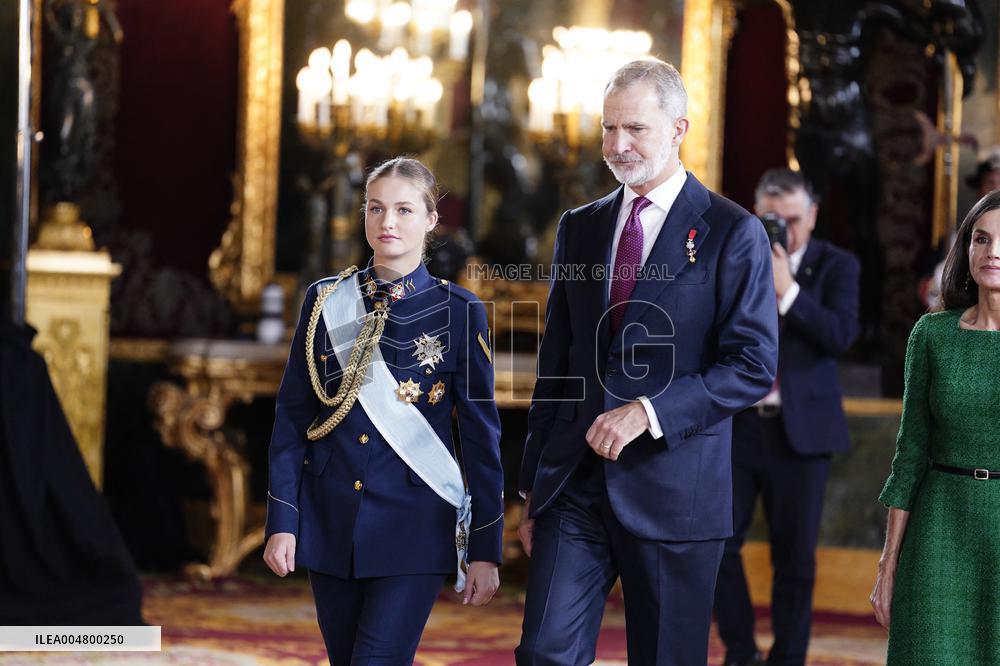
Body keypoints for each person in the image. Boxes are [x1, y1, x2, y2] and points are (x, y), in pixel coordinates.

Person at [515, 59, 779, 665]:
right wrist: (532, 482)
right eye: (608, 129)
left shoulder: (731, 231)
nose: (617, 145)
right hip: (574, 488)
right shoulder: (579, 227)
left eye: (634, 129)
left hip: (674, 491)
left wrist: (648, 412)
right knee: (542, 653)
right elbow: (558, 360)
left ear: (679, 128)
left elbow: (752, 364)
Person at [263, 157, 504, 665]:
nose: (387, 222)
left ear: (431, 219)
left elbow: (482, 438)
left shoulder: (461, 312)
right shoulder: (326, 300)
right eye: (376, 208)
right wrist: (283, 519)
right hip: (330, 517)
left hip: (413, 522)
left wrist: (485, 548)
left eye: (403, 209)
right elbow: (291, 418)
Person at [712, 169, 861, 666]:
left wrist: (788, 291)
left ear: (813, 215)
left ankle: (788, 658)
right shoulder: (731, 257)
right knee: (717, 546)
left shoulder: (838, 265)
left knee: (795, 558)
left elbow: (841, 334)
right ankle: (739, 651)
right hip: (736, 427)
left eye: (793, 220)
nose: (783, 231)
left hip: (802, 432)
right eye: (771, 220)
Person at [871, 190, 1000, 663]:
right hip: (939, 532)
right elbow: (909, 456)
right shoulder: (932, 335)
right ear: (966, 249)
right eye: (982, 239)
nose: (993, 253)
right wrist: (888, 564)